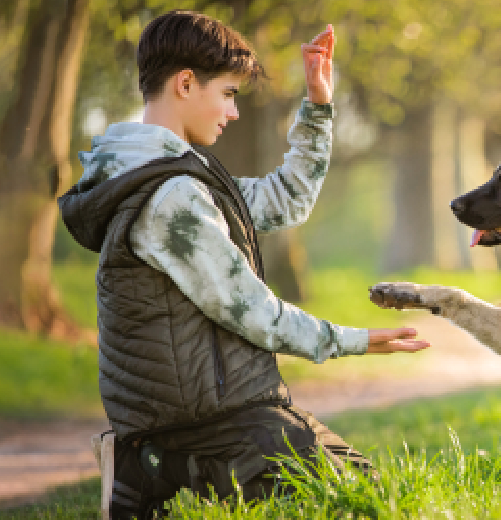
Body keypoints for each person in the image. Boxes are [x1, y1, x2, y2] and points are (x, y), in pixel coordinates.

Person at [58, 10, 429, 519]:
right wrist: (355, 340)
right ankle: (149, 464)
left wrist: (318, 107)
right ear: (186, 83)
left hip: (226, 408)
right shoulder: (171, 198)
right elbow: (253, 312)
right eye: (229, 94)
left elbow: (285, 200)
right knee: (360, 506)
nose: (233, 113)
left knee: (368, 491)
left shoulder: (179, 175)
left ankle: (148, 461)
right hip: (204, 421)